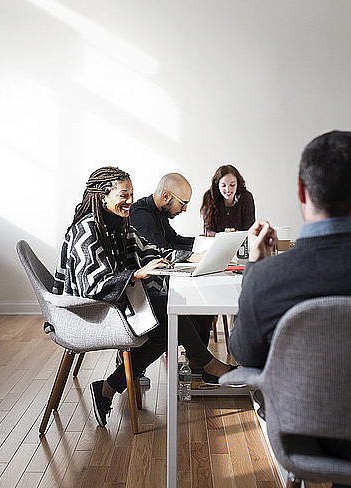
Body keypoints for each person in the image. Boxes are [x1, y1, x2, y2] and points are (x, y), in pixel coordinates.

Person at [229, 130, 351, 478]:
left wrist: (256, 267)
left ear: (300, 190)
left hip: (303, 436)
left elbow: (244, 355)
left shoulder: (268, 277)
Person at [54, 166, 235, 428]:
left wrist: (193, 257)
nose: (130, 200)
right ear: (103, 197)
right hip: (85, 311)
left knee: (166, 324)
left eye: (131, 193)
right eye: (123, 194)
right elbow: (90, 285)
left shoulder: (117, 224)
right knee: (167, 313)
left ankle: (107, 388)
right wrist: (137, 274)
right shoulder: (87, 230)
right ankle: (209, 366)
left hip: (110, 302)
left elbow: (150, 250)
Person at [130, 172, 213, 363]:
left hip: (158, 280)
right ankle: (202, 364)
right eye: (183, 203)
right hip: (145, 287)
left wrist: (205, 243)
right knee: (196, 308)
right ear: (166, 196)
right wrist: (195, 255)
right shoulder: (140, 215)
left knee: (205, 309)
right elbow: (162, 251)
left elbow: (174, 240)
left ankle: (198, 363)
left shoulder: (158, 213)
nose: (184, 209)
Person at [200, 164, 255, 236]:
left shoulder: (246, 197)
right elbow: (209, 230)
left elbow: (250, 229)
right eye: (223, 185)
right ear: (217, 185)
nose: (228, 190)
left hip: (240, 242)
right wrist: (223, 237)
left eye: (232, 185)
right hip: (217, 243)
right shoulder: (209, 197)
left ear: (238, 184)